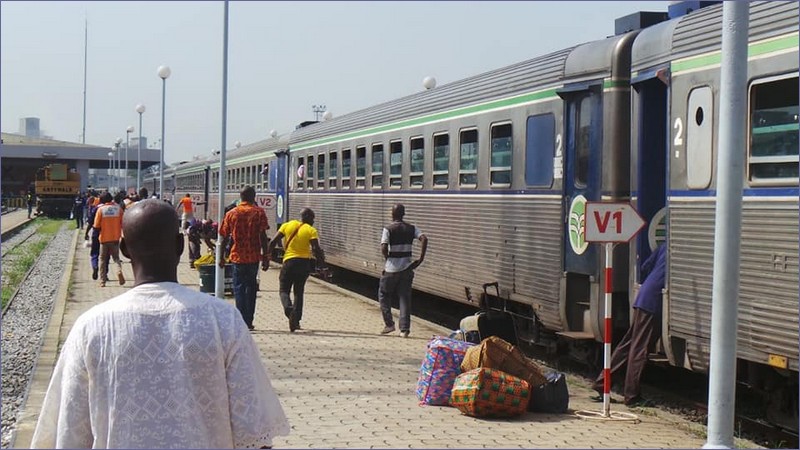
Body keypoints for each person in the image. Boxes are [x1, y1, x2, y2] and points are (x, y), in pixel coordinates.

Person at [30, 199, 290, 449]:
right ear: (179, 245)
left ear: (124, 249)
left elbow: (69, 431)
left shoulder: (91, 327)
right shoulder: (223, 320)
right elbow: (254, 431)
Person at [592, 242, 667, 406]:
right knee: (640, 348)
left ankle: (602, 383)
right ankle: (632, 395)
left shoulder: (666, 245)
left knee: (629, 344)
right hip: (655, 301)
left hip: (644, 296)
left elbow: (646, 266)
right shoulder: (682, 250)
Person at [218, 186, 270, 331]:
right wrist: (266, 256)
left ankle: (241, 320)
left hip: (237, 257)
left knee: (239, 288)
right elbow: (263, 237)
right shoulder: (259, 212)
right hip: (253, 257)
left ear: (240, 197)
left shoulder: (231, 213)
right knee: (251, 288)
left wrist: (221, 257)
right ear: (253, 196)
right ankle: (249, 320)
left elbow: (224, 237)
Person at [267, 208, 325, 332]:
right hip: (304, 264)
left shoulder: (287, 225)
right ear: (308, 217)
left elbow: (273, 242)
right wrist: (321, 264)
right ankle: (296, 321)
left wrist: (268, 256)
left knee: (284, 290)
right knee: (299, 292)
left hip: (289, 262)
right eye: (313, 218)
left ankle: (289, 310)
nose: (313, 221)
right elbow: (316, 249)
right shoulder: (311, 230)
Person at [377, 204, 428, 338]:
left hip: (391, 269)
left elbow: (383, 247)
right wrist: (420, 259)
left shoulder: (388, 229)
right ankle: (404, 330)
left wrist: (388, 258)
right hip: (407, 268)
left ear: (392, 214)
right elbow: (424, 238)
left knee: (383, 295)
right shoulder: (411, 228)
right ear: (403, 214)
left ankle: (389, 324)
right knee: (404, 298)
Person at [93, 192, 125, 287]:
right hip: (115, 238)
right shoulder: (118, 209)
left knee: (102, 259)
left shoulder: (101, 210)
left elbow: (96, 225)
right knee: (116, 258)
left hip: (104, 239)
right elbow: (123, 223)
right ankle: (119, 270)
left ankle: (102, 281)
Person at [84, 193, 101, 280]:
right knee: (106, 257)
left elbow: (90, 223)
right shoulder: (115, 208)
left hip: (96, 234)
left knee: (95, 253)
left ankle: (95, 266)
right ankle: (105, 275)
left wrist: (86, 233)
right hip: (110, 236)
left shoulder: (96, 209)